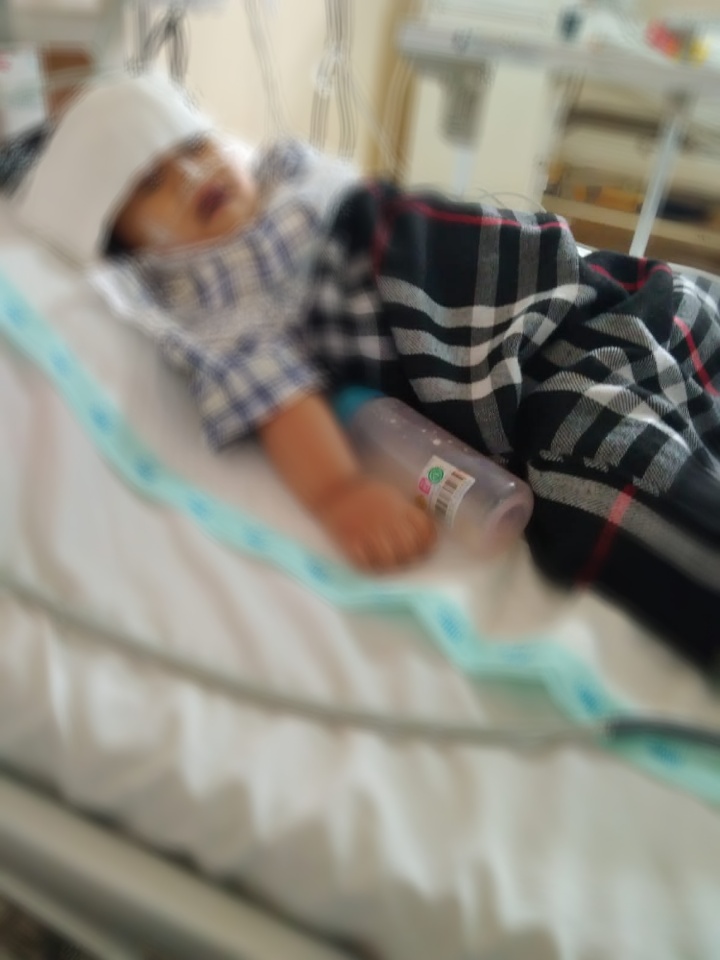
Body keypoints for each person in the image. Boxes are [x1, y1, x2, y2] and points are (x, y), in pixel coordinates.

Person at [15, 72, 720, 671]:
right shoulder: (209, 293)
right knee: (607, 473)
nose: (194, 176)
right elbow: (282, 394)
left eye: (196, 149)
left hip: (575, 291)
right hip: (536, 366)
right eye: (153, 184)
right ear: (124, 242)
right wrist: (340, 491)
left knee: (675, 334)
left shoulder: (287, 176)